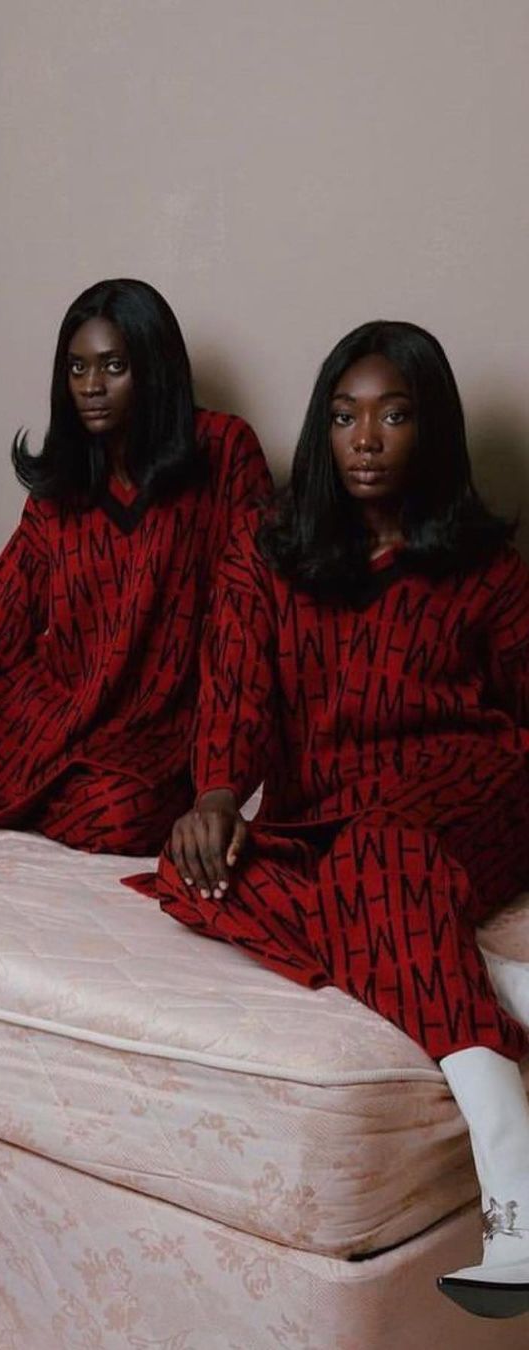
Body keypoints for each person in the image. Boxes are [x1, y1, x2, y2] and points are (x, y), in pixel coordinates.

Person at [129, 319, 529, 1320]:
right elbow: (236, 700)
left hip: (472, 785)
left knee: (380, 859)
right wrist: (213, 798)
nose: (367, 440)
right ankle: (500, 987)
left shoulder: (486, 569)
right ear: (322, 428)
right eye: (346, 417)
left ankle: (515, 1188)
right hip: (339, 815)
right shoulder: (269, 557)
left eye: (394, 416)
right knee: (191, 872)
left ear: (431, 430)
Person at [0, 279, 271, 854]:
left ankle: (46, 790)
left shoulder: (224, 450)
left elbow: (243, 625)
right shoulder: (65, 476)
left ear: (155, 367)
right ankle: (35, 782)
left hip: (162, 724)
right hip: (57, 705)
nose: (91, 386)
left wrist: (219, 781)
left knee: (116, 815)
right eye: (77, 368)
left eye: (114, 366)